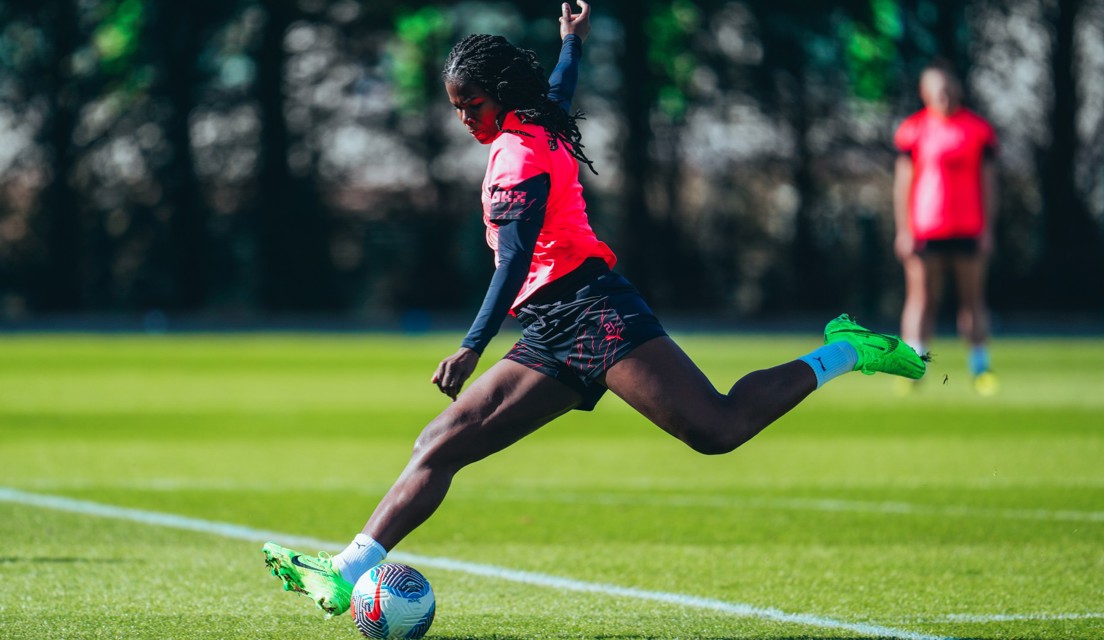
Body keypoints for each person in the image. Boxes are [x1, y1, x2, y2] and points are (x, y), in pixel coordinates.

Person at [262, 1, 927, 618]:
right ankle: (346, 571)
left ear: (499, 96)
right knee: (440, 442)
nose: (465, 117)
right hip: (552, 328)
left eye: (473, 104)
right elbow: (560, 90)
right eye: (457, 107)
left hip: (594, 313)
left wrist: (471, 344)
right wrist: (572, 43)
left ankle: (848, 348)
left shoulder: (519, 155)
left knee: (717, 428)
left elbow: (513, 263)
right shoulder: (534, 119)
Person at [893, 60, 999, 395]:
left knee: (972, 300)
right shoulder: (913, 130)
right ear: (925, 93)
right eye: (939, 90)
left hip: (968, 227)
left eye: (951, 89)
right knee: (921, 300)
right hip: (926, 228)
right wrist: (903, 228)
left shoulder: (978, 130)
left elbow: (990, 183)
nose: (946, 96)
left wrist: (988, 229)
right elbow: (902, 184)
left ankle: (980, 367)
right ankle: (912, 367)